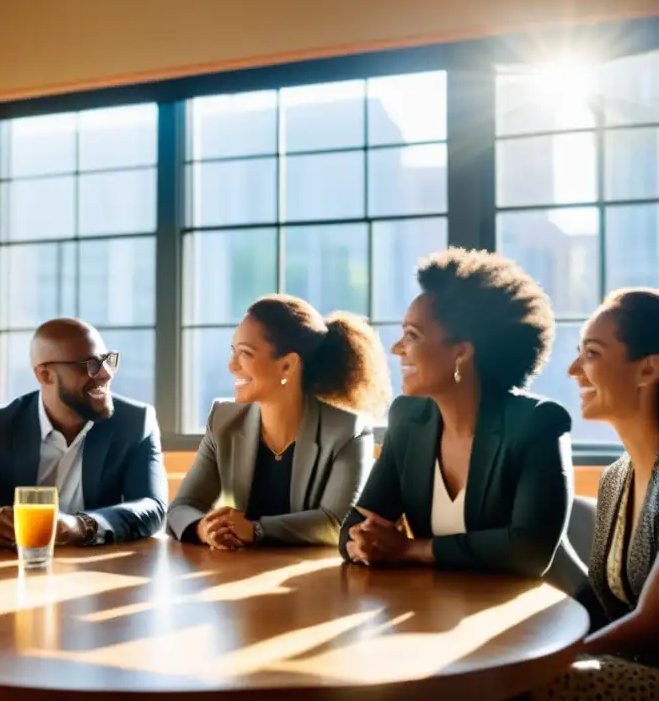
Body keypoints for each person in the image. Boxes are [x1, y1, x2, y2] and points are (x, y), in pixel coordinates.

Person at [339, 248, 580, 592]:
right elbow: (357, 524)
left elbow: (529, 552)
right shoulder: (408, 419)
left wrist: (410, 549)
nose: (397, 348)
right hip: (447, 612)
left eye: (412, 336)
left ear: (461, 352)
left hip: (551, 619)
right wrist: (361, 544)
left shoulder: (537, 423)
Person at [167, 294, 392, 548]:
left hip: (312, 580)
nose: (232, 366)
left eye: (245, 354)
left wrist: (256, 529)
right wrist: (203, 528)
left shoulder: (348, 431)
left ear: (287, 366)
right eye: (234, 352)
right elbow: (181, 508)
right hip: (232, 574)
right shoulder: (224, 420)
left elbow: (338, 522)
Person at [0, 318, 167, 547]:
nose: (105, 373)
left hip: (102, 568)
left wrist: (81, 526)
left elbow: (151, 506)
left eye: (106, 360)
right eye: (88, 364)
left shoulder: (134, 422)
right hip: (17, 566)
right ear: (44, 375)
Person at [534, 288, 659, 700]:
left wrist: (551, 659)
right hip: (625, 668)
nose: (572, 369)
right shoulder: (615, 479)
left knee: (537, 683)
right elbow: (599, 603)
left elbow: (651, 622)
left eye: (592, 353)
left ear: (648, 369)